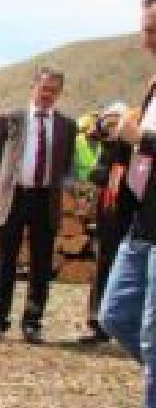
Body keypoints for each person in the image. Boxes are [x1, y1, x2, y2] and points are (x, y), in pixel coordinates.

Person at [97, 0, 156, 408]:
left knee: (155, 334)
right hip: (141, 221)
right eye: (144, 30)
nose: (145, 40)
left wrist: (146, 139)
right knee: (115, 314)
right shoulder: (154, 85)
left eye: (153, 31)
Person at [0, 67, 77, 343]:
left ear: (59, 93)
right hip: (14, 196)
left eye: (53, 90)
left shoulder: (67, 126)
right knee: (5, 258)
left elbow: (67, 164)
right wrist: (7, 181)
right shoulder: (11, 118)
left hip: (45, 198)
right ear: (33, 87)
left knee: (41, 260)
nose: (47, 94)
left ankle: (33, 321)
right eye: (43, 88)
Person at [79, 102, 134, 344]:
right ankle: (97, 322)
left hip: (132, 215)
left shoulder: (135, 146)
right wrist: (107, 141)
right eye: (109, 123)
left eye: (116, 123)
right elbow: (97, 174)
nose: (112, 128)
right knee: (104, 265)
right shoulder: (108, 147)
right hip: (110, 215)